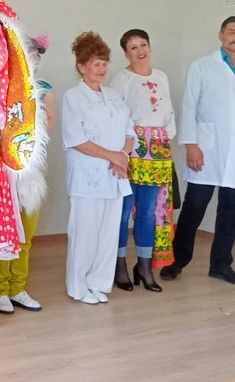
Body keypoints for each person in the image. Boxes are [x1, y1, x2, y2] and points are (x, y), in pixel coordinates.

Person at [160, 16, 235, 287]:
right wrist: (191, 144)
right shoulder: (202, 66)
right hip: (205, 150)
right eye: (232, 31)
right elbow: (189, 106)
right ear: (221, 35)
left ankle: (221, 265)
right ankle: (176, 261)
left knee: (230, 212)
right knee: (194, 208)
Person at [62, 31, 134, 305]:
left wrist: (122, 156)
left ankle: (99, 283)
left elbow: (130, 131)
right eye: (96, 64)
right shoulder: (73, 96)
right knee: (85, 233)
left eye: (105, 63)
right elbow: (76, 138)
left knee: (108, 233)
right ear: (82, 67)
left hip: (115, 175)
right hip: (87, 177)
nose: (102, 68)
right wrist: (113, 156)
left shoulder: (114, 96)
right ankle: (79, 287)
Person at [109, 29, 175, 293]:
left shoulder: (161, 76)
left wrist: (165, 138)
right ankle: (119, 265)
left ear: (150, 46)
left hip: (157, 153)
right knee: (124, 211)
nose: (140, 51)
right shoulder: (121, 79)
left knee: (148, 212)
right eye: (133, 47)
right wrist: (121, 152)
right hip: (131, 150)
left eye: (143, 44)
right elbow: (115, 116)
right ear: (126, 53)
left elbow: (168, 113)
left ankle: (145, 266)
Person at [0, 36, 53, 314]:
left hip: (33, 170)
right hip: (4, 168)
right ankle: (0, 290)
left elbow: (48, 124)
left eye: (36, 53)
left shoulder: (44, 89)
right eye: (28, 52)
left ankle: (18, 287)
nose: (33, 57)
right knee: (5, 233)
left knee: (26, 234)